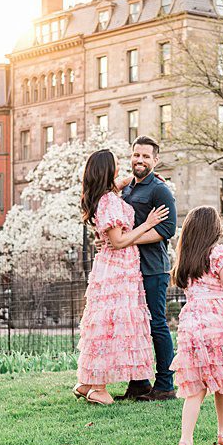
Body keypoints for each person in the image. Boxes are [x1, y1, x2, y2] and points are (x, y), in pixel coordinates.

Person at [72, 149, 169, 406]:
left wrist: (141, 177)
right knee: (110, 326)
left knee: (103, 324)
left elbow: (118, 185)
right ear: (107, 170)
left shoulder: (102, 196)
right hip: (117, 269)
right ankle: (98, 389)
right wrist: (147, 224)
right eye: (115, 165)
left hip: (109, 267)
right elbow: (118, 241)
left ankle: (88, 383)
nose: (119, 168)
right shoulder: (110, 201)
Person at [168, 206, 223, 445]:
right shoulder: (220, 254)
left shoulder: (187, 258)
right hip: (217, 324)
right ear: (214, 228)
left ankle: (187, 441)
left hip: (192, 323)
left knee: (196, 389)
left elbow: (212, 287)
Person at [119, 136, 178, 401]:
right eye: (136, 155)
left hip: (153, 269)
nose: (139, 160)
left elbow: (167, 229)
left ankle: (165, 385)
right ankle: (139, 382)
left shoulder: (159, 189)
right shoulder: (127, 189)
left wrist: (127, 241)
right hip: (129, 270)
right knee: (134, 326)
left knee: (156, 325)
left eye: (145, 156)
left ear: (155, 160)